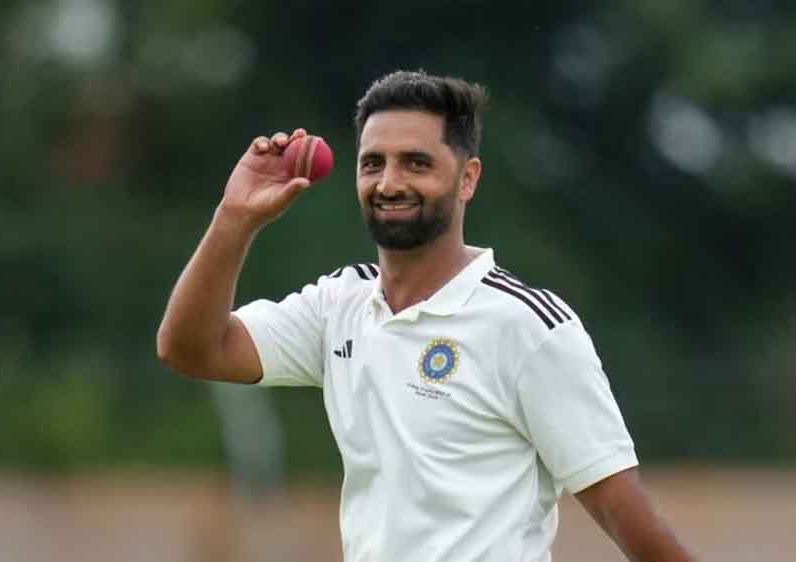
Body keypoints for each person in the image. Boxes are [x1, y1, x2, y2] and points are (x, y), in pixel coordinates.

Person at [157, 70, 697, 562]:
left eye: (416, 163)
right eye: (373, 163)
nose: (389, 183)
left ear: (468, 178)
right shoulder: (339, 303)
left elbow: (627, 518)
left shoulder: (528, 325)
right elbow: (192, 349)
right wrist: (235, 217)